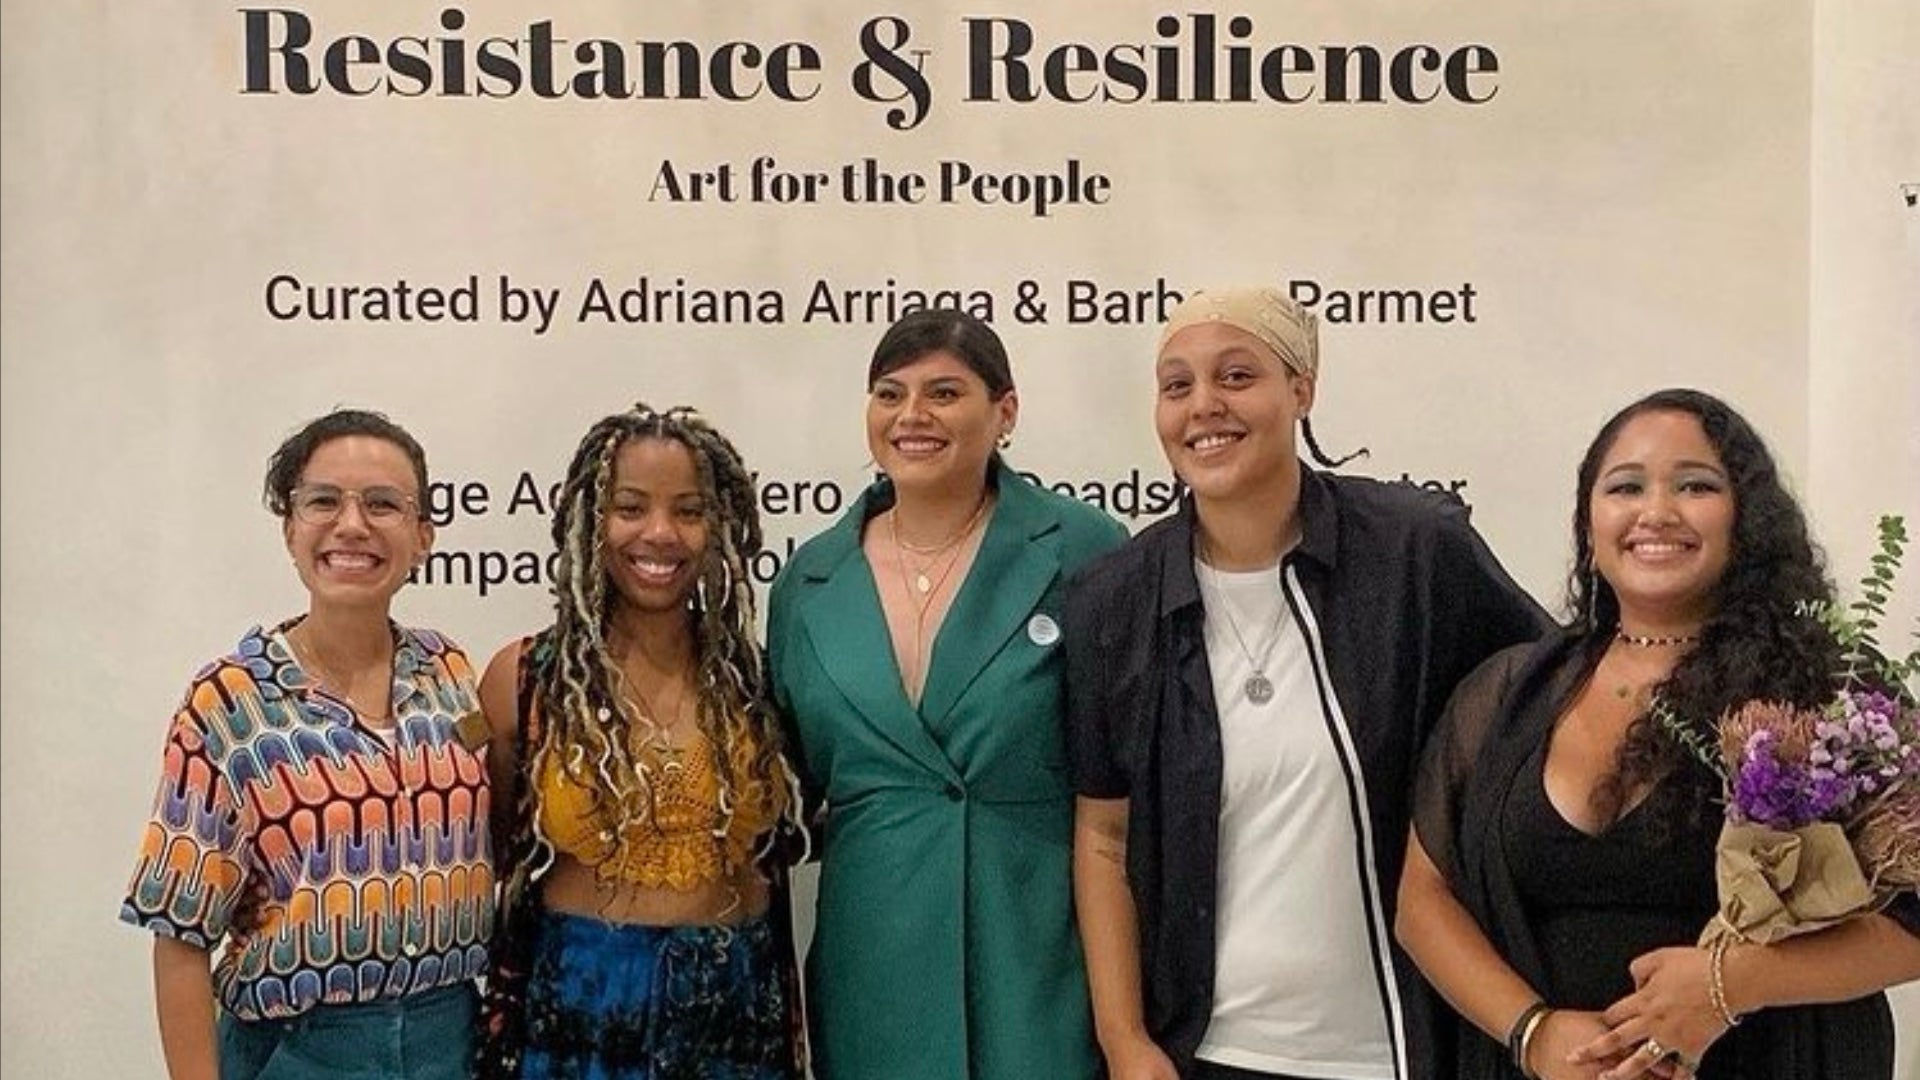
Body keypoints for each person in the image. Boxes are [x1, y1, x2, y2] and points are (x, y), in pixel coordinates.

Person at [1066, 286, 1549, 1080]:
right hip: (1209, 1054)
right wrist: (1125, 1041)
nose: (1204, 405)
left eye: (1237, 375)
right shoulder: (1114, 599)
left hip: (1405, 1048)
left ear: (1302, 388)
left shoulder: (1417, 554)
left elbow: (1549, 701)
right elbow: (1103, 837)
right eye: (1177, 385)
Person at [1396, 388, 1920, 1080]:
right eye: (1625, 487)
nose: (1657, 512)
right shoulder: (1507, 691)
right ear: (1589, 524)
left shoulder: (1832, 690)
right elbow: (1422, 901)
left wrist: (1734, 984)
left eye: (1696, 486)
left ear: (1747, 519)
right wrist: (1534, 1033)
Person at [766, 308, 1127, 1080]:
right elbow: (793, 785)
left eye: (944, 392)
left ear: (1005, 412)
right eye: (890, 393)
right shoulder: (809, 582)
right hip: (875, 964)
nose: (912, 415)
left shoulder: (1086, 549)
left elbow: (1131, 778)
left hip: (1039, 956)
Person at [120, 408, 492, 1080]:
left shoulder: (451, 673)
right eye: (323, 501)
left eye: (383, 504)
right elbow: (179, 936)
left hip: (452, 1044)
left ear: (423, 536)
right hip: (297, 1051)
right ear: (290, 529)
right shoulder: (229, 703)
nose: (352, 524)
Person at [473, 403, 806, 1080]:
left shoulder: (762, 683)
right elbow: (490, 849)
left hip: (737, 1010)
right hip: (580, 1004)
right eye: (630, 508)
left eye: (689, 510)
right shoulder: (523, 681)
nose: (660, 533)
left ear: (720, 526)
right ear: (590, 521)